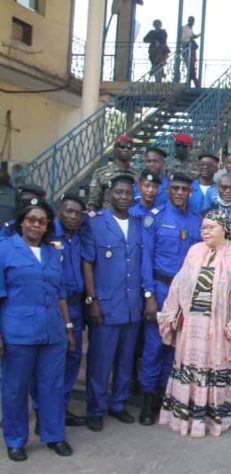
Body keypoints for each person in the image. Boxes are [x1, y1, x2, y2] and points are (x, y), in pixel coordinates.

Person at [0, 198, 77, 461]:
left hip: (52, 331)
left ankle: (54, 435)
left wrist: (68, 328)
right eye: (31, 220)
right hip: (18, 333)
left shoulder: (52, 253)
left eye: (41, 221)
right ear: (21, 222)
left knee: (52, 386)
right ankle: (15, 440)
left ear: (47, 226)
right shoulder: (5, 249)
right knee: (15, 389)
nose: (36, 225)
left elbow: (60, 294)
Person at [157, 210, 231, 437]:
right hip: (192, 325)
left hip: (218, 327)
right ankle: (186, 418)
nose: (205, 231)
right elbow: (179, 283)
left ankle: (213, 419)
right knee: (190, 368)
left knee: (215, 367)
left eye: (210, 227)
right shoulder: (194, 251)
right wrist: (172, 313)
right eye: (203, 227)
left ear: (224, 229)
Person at [81, 175, 144, 431]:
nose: (123, 197)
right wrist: (92, 299)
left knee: (125, 362)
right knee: (100, 362)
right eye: (119, 192)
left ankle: (118, 404)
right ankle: (95, 409)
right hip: (106, 305)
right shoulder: (95, 223)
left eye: (128, 193)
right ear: (110, 194)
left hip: (132, 306)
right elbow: (87, 262)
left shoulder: (139, 223)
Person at [139, 172, 202, 426]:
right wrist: (148, 295)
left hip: (186, 294)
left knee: (175, 349)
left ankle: (164, 400)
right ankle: (147, 401)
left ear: (190, 192)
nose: (179, 193)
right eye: (175, 188)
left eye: (184, 189)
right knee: (154, 347)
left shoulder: (197, 221)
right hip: (160, 290)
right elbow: (146, 259)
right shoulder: (155, 218)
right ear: (168, 190)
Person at [52, 194, 87, 427]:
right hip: (55, 308)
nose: (73, 217)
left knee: (73, 360)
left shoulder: (77, 237)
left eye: (78, 213)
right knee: (53, 363)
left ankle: (61, 409)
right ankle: (47, 412)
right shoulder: (48, 236)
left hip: (76, 306)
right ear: (59, 211)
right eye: (69, 211)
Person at [87, 135, 139, 211]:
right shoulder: (100, 173)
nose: (126, 149)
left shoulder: (137, 174)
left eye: (129, 148)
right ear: (115, 149)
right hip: (107, 216)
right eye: (122, 146)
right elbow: (93, 202)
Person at [180, 16, 200, 87]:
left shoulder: (190, 29)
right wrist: (193, 37)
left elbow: (190, 37)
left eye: (193, 21)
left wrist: (194, 36)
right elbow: (184, 39)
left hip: (191, 48)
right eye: (191, 20)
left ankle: (190, 82)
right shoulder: (184, 28)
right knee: (190, 65)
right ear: (188, 20)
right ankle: (195, 82)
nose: (192, 22)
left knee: (192, 65)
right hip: (187, 48)